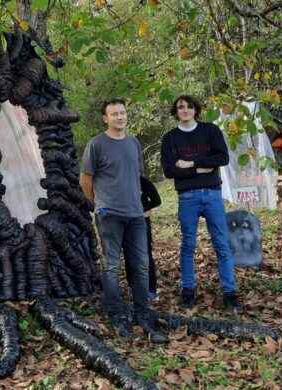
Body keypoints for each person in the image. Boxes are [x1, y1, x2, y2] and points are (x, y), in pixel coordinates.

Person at [81, 99, 167, 343]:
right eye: (114, 114)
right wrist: (98, 204)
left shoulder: (133, 143)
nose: (119, 117)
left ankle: (143, 314)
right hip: (109, 214)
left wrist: (143, 206)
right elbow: (86, 179)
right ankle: (117, 315)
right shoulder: (96, 144)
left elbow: (137, 177)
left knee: (140, 264)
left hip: (136, 214)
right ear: (105, 118)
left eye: (122, 113)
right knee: (111, 266)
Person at [160, 95, 240, 311]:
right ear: (175, 112)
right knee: (188, 245)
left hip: (212, 194)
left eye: (189, 106)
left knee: (221, 244)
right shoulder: (170, 139)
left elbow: (222, 158)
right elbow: (169, 170)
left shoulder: (210, 131)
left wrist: (190, 163)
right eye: (180, 107)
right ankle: (188, 290)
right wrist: (200, 168)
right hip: (187, 197)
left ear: (196, 110)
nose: (185, 110)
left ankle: (230, 292)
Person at [125, 176, 161, 302]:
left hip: (142, 222)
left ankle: (151, 290)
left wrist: (144, 210)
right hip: (125, 222)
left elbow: (157, 200)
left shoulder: (141, 181)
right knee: (129, 255)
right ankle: (133, 288)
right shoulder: (117, 180)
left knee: (145, 255)